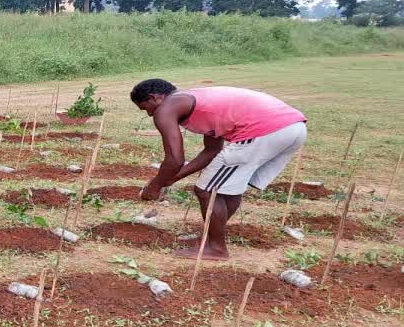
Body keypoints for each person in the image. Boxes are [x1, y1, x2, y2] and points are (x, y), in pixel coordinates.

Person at [131, 79, 307, 261]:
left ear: (154, 98)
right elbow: (211, 151)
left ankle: (216, 248)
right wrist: (170, 180)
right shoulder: (197, 102)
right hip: (293, 127)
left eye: (146, 108)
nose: (151, 114)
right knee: (227, 189)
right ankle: (210, 239)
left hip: (264, 130)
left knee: (207, 190)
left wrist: (155, 185)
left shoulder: (167, 107)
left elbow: (175, 159)